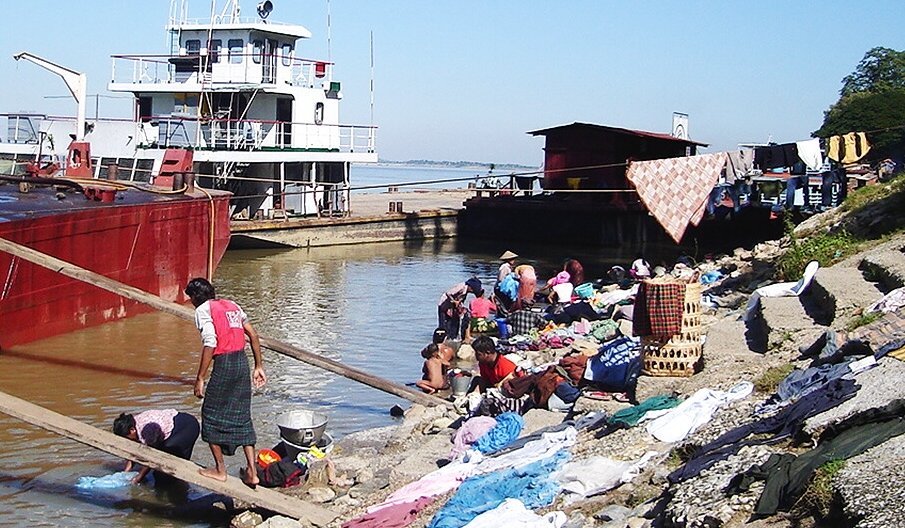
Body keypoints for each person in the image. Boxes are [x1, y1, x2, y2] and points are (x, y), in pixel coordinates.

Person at [184, 277, 266, 488]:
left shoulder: (203, 310)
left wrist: (200, 378)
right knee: (242, 415)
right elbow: (253, 335)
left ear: (194, 297)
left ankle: (220, 470)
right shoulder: (232, 305)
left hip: (225, 363)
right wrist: (259, 366)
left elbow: (210, 342)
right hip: (242, 361)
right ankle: (252, 471)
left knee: (210, 414)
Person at [113, 409, 200, 486]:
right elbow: (135, 451)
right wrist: (126, 472)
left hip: (186, 427)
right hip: (174, 427)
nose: (128, 441)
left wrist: (138, 478)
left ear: (132, 430)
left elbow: (152, 457)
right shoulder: (132, 424)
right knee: (162, 472)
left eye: (127, 437)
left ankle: (181, 487)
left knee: (169, 468)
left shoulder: (146, 430)